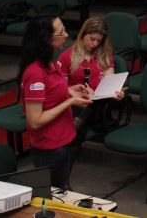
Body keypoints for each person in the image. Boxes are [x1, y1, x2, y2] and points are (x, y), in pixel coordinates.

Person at [20, 17, 92, 190]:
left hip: (62, 141)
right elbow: (35, 120)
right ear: (47, 39)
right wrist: (70, 101)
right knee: (53, 196)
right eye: (61, 32)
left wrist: (70, 90)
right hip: (49, 148)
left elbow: (51, 92)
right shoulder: (35, 72)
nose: (66, 35)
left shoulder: (50, 63)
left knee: (61, 190)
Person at [58, 17, 125, 140]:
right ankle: (74, 131)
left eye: (99, 40)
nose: (95, 44)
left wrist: (115, 93)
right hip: (74, 103)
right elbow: (60, 89)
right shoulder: (66, 56)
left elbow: (109, 84)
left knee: (88, 107)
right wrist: (78, 95)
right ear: (83, 34)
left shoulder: (104, 55)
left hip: (99, 104)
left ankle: (73, 131)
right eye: (92, 39)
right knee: (83, 107)